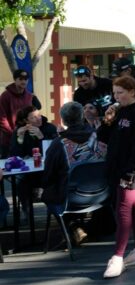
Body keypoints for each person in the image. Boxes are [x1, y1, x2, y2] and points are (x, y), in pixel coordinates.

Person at [94, 76, 135, 278]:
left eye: (120, 92)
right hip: (117, 167)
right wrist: (107, 120)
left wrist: (131, 172)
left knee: (123, 210)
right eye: (115, 92)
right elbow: (103, 136)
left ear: (132, 91)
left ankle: (118, 257)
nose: (116, 96)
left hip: (132, 170)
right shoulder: (120, 112)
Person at [41, 102, 108, 245]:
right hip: (103, 194)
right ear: (82, 116)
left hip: (72, 198)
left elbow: (48, 176)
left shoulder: (59, 144)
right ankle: (82, 226)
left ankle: (71, 226)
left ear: (63, 121)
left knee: (48, 193)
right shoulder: (99, 136)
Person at [0, 68, 40, 157]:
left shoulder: (29, 96)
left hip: (27, 140)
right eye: (20, 79)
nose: (23, 81)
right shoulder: (5, 96)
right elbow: (2, 119)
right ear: (15, 80)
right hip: (8, 141)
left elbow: (31, 116)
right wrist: (14, 135)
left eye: (26, 79)